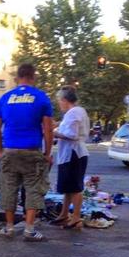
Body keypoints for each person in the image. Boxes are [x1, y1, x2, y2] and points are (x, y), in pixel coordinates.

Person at [0, 63, 53, 242]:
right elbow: (48, 128)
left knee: (9, 188)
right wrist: (47, 153)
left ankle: (9, 227)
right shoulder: (41, 98)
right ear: (33, 77)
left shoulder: (5, 98)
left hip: (9, 151)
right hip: (31, 151)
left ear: (17, 78)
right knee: (33, 189)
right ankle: (29, 229)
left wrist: (0, 151)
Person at [51, 86, 90, 229]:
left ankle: (76, 218)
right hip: (72, 153)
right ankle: (64, 214)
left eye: (59, 101)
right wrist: (57, 127)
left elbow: (72, 134)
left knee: (74, 187)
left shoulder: (74, 112)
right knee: (68, 187)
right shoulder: (77, 112)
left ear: (64, 100)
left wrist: (53, 132)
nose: (59, 104)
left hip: (74, 153)